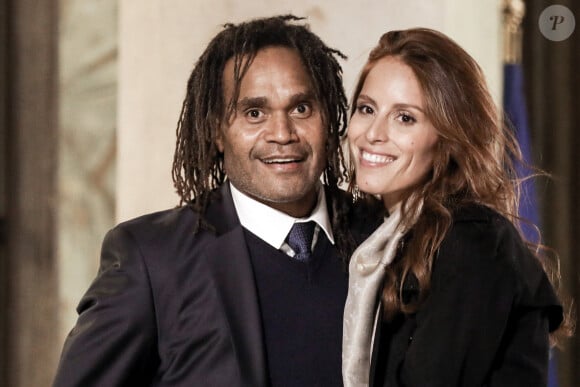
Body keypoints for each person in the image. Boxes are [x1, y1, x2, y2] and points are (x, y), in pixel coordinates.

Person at [53, 15, 382, 386]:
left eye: (301, 108)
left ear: (331, 117)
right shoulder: (152, 260)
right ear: (216, 132)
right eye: (254, 113)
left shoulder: (381, 236)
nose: (282, 133)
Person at [341, 28, 573, 387]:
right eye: (366, 109)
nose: (373, 133)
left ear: (447, 137)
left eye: (405, 118)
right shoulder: (379, 238)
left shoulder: (472, 241)